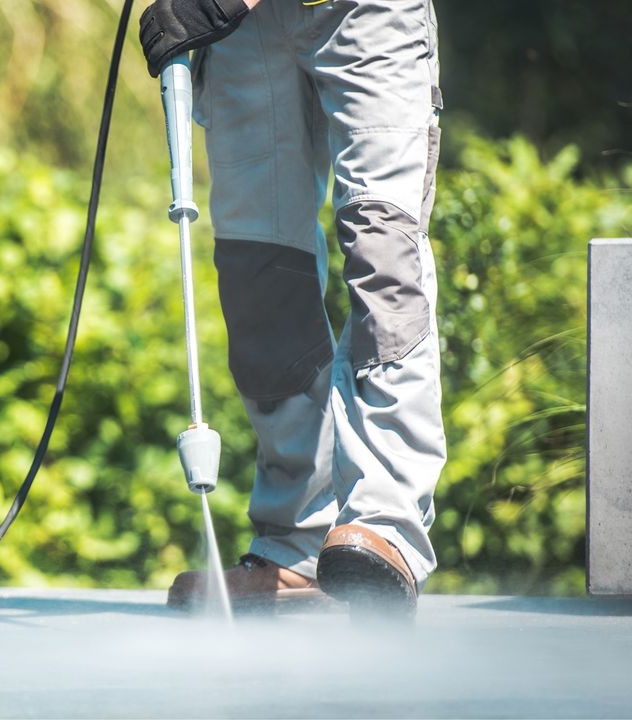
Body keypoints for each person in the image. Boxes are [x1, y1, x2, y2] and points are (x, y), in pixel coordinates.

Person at [139, 0, 446, 614]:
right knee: (259, 274)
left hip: (366, 15)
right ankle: (295, 545)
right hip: (240, 32)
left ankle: (386, 526)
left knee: (383, 255)